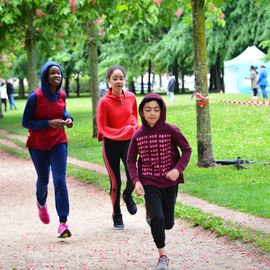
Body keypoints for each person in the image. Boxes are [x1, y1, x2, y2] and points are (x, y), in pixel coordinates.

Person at [127, 93, 192, 270]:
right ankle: (162, 256)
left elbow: (186, 149)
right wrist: (136, 181)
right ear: (141, 112)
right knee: (157, 217)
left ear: (162, 110)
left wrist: (178, 169)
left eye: (156, 109)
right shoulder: (138, 134)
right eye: (148, 110)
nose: (152, 113)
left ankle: (156, 219)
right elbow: (131, 160)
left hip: (170, 181)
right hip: (149, 180)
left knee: (168, 223)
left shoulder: (171, 130)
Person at [22, 61, 73, 238]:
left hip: (59, 142)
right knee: (43, 179)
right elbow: (26, 122)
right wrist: (48, 123)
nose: (56, 76)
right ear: (45, 76)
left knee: (60, 180)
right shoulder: (35, 97)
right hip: (38, 145)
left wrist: (68, 119)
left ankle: (63, 222)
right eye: (52, 73)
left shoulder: (62, 95)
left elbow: (63, 112)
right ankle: (41, 203)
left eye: (58, 73)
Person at [97, 64, 138, 229]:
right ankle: (117, 214)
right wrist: (124, 131)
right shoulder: (104, 102)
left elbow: (134, 116)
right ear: (109, 81)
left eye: (121, 78)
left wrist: (132, 128)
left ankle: (128, 196)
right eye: (115, 78)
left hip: (128, 141)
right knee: (115, 183)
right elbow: (103, 128)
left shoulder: (131, 97)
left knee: (133, 178)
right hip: (110, 144)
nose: (118, 81)